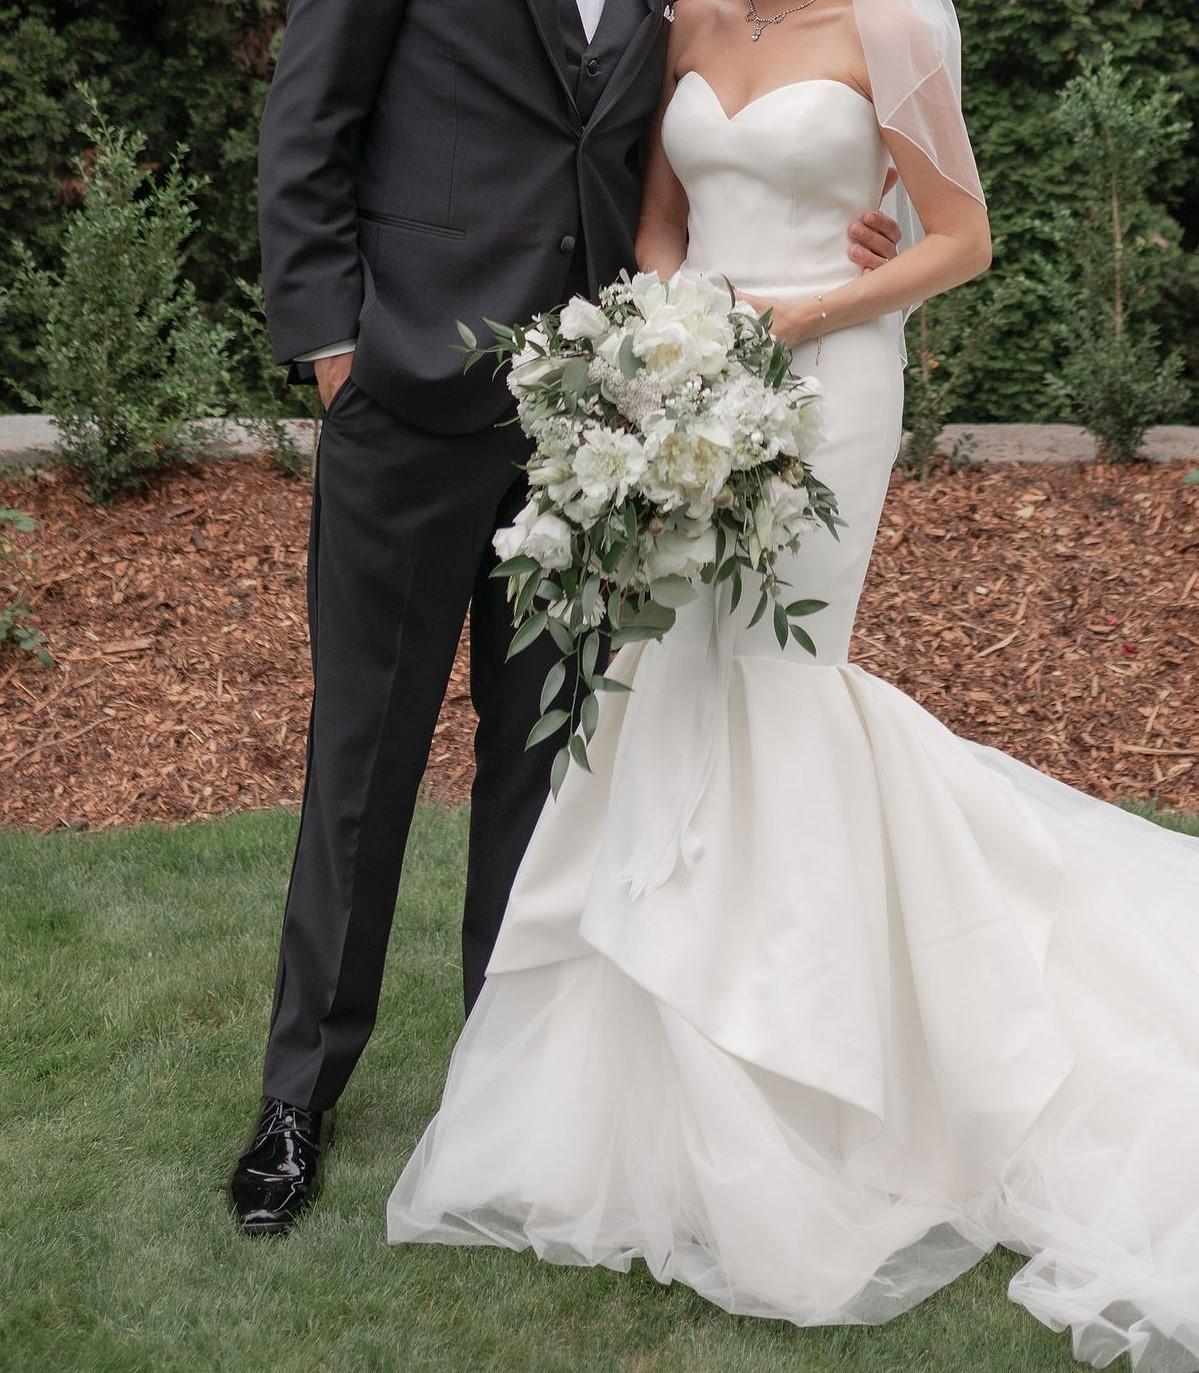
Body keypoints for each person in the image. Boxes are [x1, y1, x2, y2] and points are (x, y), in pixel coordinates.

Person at [387, 1, 1199, 1368]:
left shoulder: (887, 24)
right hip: (689, 387)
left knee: (778, 677)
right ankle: (651, 1081)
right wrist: (669, 334)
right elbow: (658, 220)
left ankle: (818, 1074)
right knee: (670, 676)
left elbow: (958, 238)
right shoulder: (685, 20)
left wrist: (803, 314)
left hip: (826, 383)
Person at [229, 0, 902, 1238]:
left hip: (590, 418)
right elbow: (308, 118)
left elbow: (695, 157)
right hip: (406, 391)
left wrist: (858, 222)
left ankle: (504, 1080)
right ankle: (296, 1097)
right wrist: (332, 343)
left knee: (542, 763)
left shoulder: (683, 0)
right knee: (364, 754)